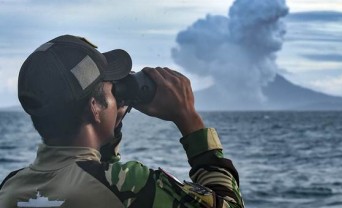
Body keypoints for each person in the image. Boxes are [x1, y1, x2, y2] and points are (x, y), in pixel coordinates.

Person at [0, 35, 244, 208]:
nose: (117, 95)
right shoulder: (131, 186)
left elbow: (93, 174)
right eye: (111, 88)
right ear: (94, 107)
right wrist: (189, 119)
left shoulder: (10, 188)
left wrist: (109, 125)